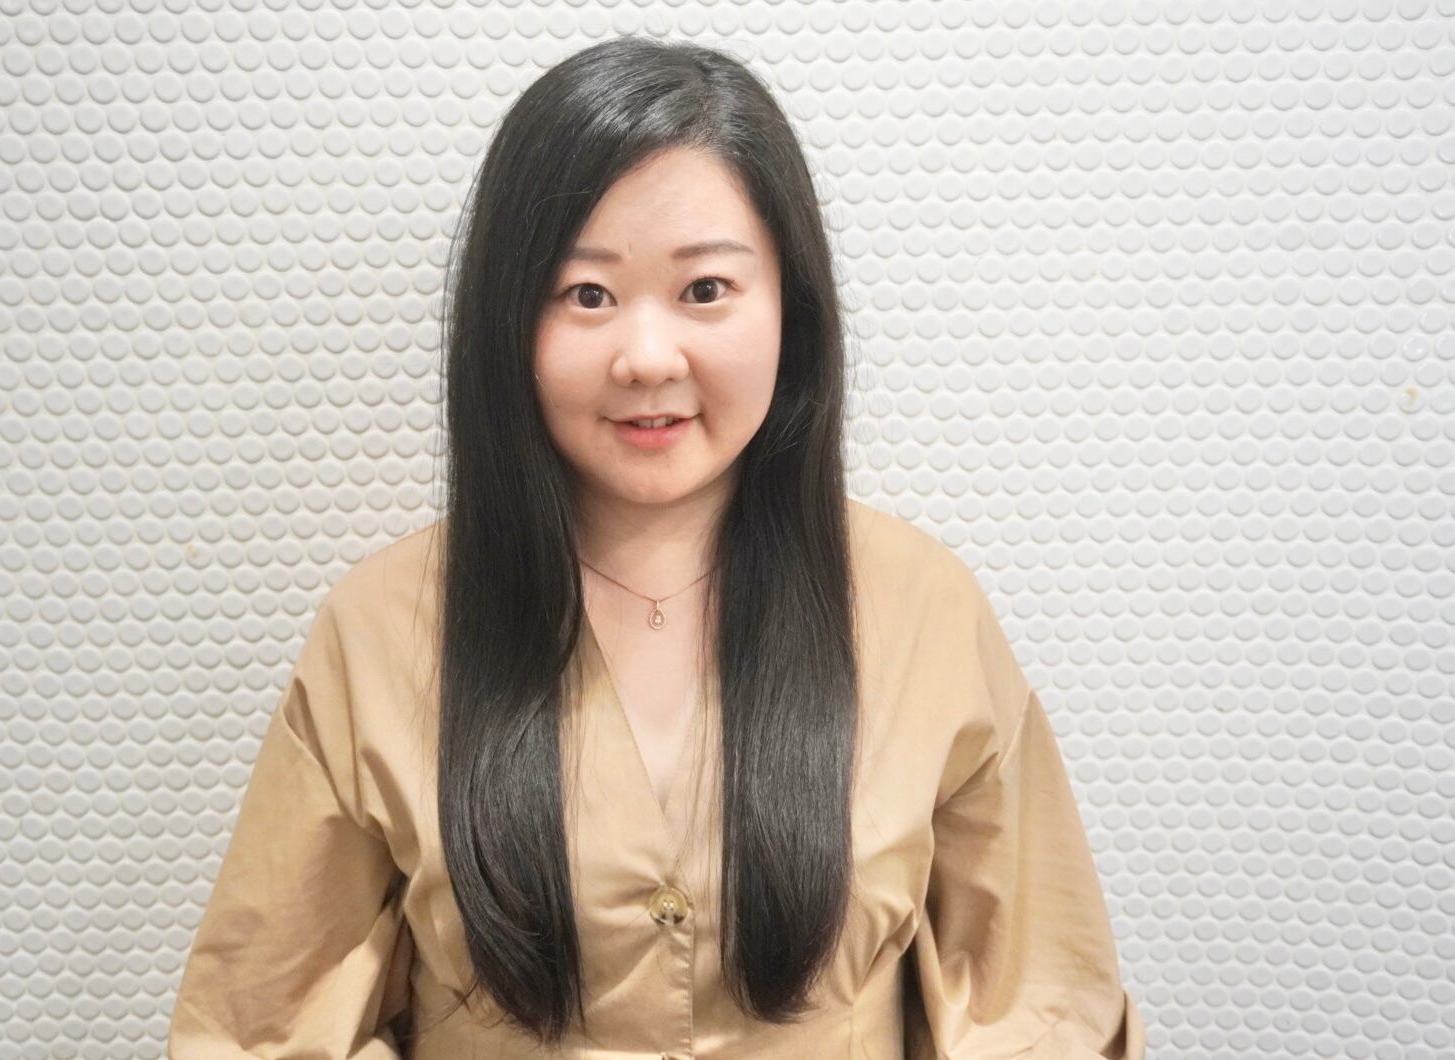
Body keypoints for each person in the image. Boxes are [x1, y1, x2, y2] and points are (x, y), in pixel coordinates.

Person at [167, 35, 1146, 1059]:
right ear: (509, 320)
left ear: (792, 307)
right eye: (587, 295)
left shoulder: (925, 608)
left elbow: (1039, 1012)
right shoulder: (380, 627)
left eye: (705, 290)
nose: (646, 357)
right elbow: (262, 1027)